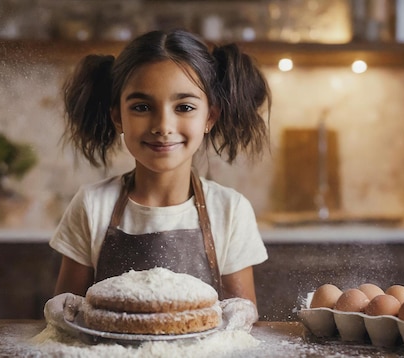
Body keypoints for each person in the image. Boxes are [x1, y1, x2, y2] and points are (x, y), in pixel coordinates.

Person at [50, 29, 271, 308]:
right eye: (142, 107)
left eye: (184, 107)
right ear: (118, 117)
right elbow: (63, 316)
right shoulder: (91, 206)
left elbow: (240, 321)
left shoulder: (230, 210)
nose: (163, 127)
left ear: (210, 117)